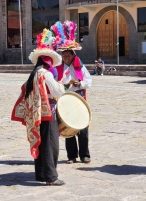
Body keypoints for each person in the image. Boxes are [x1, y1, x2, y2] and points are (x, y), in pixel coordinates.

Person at [11, 29, 66, 186]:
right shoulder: (46, 74)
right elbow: (58, 91)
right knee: (50, 144)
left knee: (42, 143)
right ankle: (51, 177)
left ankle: (41, 174)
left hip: (37, 114)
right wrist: (61, 85)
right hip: (48, 112)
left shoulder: (34, 73)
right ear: (49, 62)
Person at [52, 20, 92, 164]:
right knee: (68, 127)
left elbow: (89, 81)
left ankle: (85, 155)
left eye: (68, 55)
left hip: (78, 99)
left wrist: (79, 83)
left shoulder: (79, 68)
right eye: (64, 56)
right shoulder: (58, 69)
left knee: (82, 127)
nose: (66, 58)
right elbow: (55, 83)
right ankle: (71, 156)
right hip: (65, 99)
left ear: (73, 56)